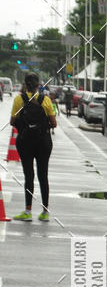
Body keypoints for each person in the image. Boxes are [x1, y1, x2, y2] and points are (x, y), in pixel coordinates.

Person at [10, 72, 56, 222]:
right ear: (38, 85)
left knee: (29, 176)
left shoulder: (19, 99)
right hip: (43, 143)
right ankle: (45, 212)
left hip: (25, 142)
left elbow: (12, 121)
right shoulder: (46, 100)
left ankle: (28, 211)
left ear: (25, 84)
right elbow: (54, 123)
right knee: (43, 176)